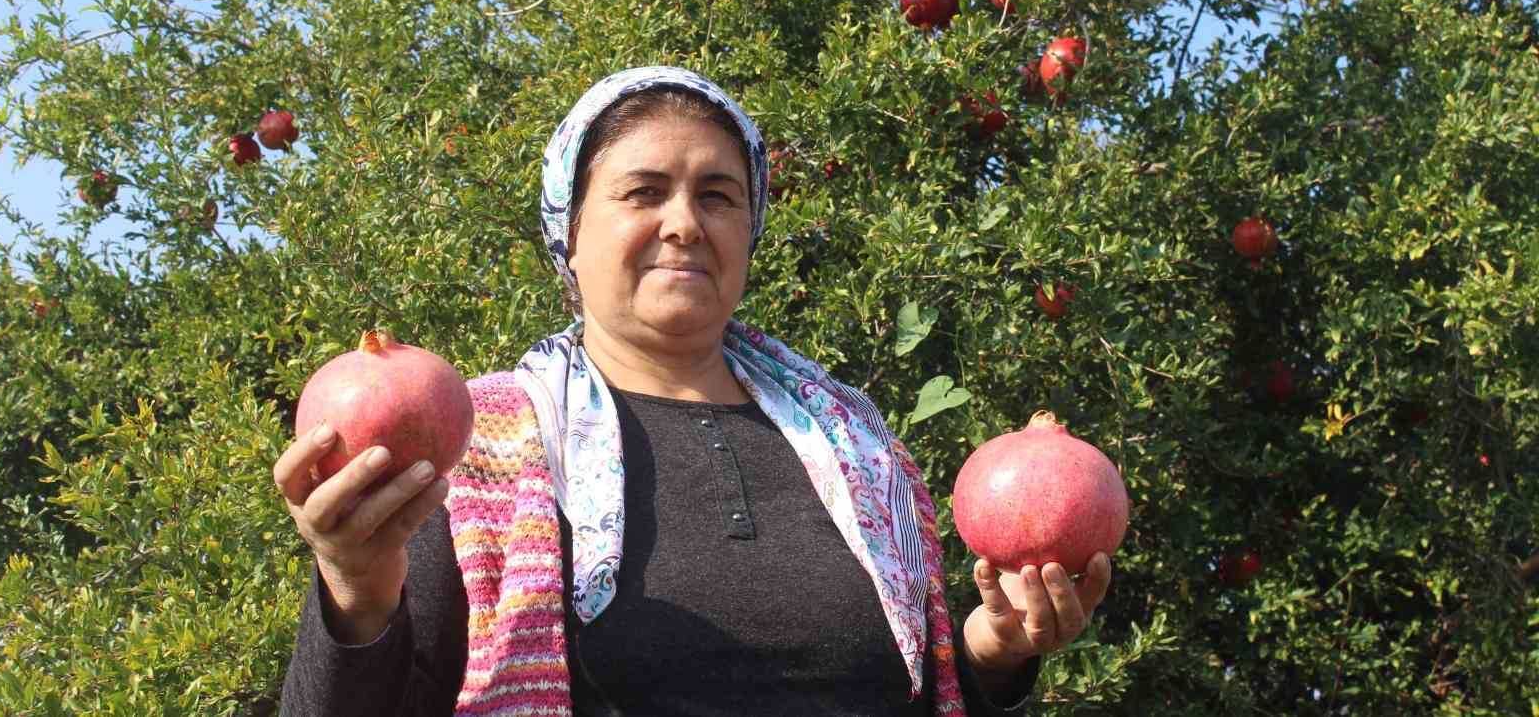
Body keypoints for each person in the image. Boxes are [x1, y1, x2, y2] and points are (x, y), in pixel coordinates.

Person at [275, 66, 1112, 716]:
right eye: (644, 192)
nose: (684, 223)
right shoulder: (479, 445)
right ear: (570, 231)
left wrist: (991, 651)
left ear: (750, 230)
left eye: (717, 196)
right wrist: (355, 593)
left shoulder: (856, 445)